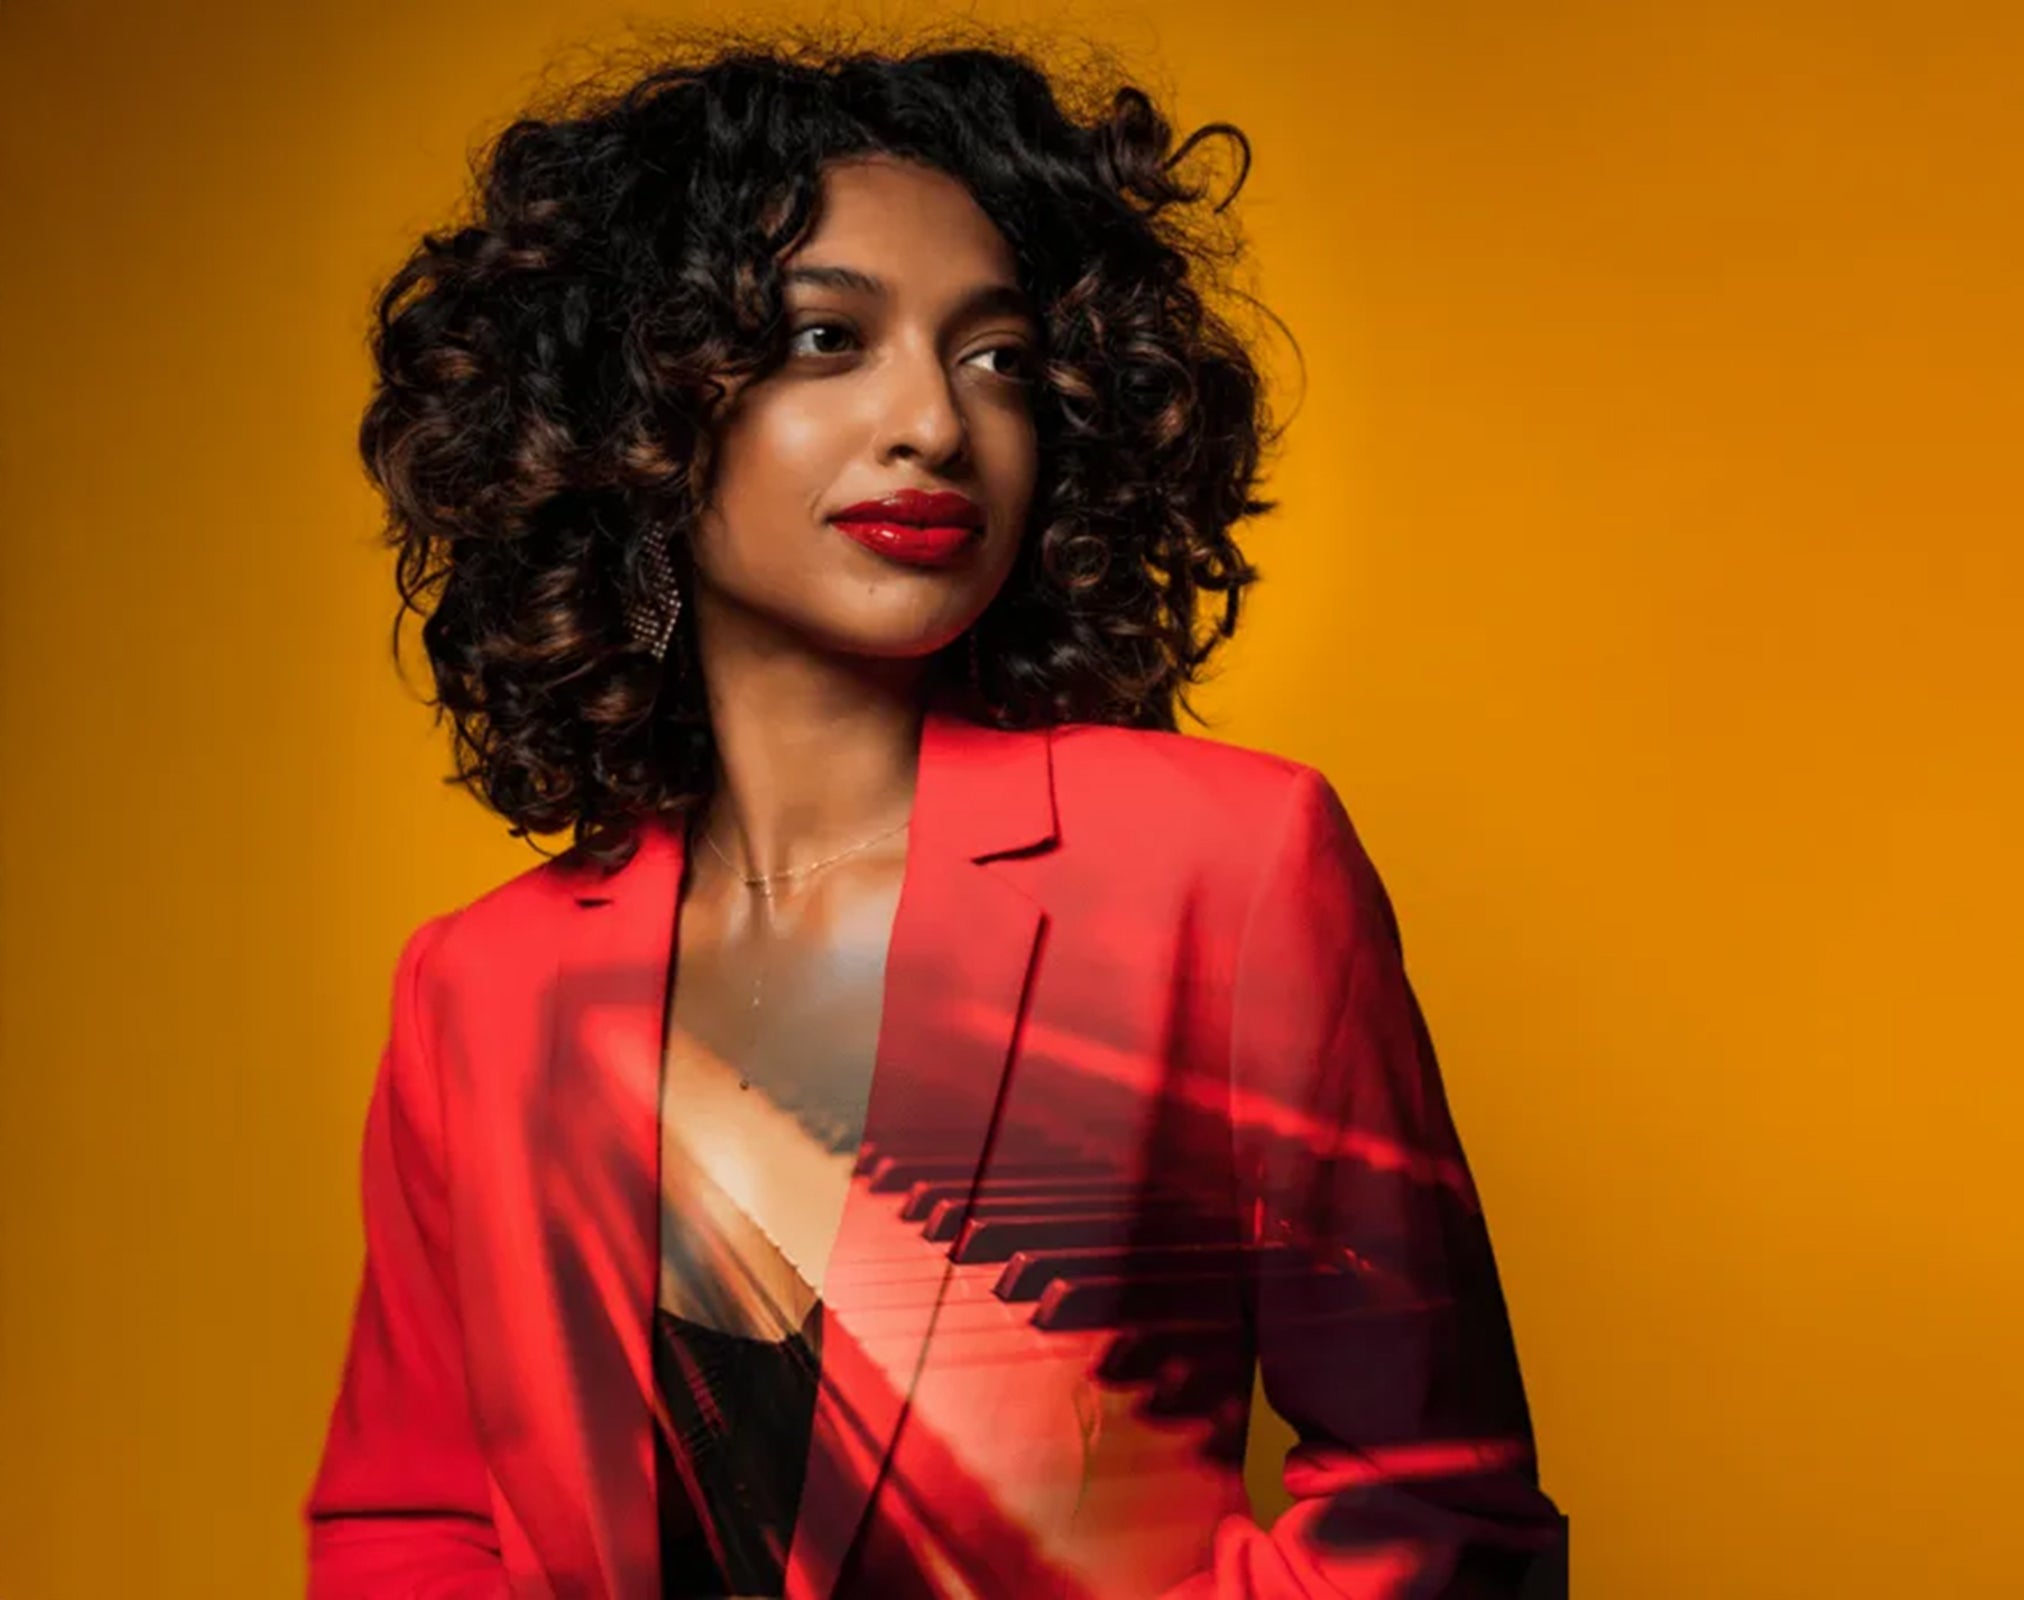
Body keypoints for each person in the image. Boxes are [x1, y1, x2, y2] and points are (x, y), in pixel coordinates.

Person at [303, 30, 1568, 1600]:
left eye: (1001, 361)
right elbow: (410, 1523)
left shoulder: (1223, 871)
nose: (935, 426)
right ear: (633, 401)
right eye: (829, 340)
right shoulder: (475, 995)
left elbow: (1435, 1516)